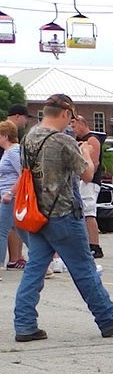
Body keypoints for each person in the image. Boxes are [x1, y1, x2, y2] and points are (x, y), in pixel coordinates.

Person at [12, 94, 113, 342]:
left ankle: (24, 324)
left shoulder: (28, 138)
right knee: (84, 269)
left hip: (37, 215)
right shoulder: (63, 141)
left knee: (34, 270)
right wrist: (86, 152)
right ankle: (109, 319)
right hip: (63, 215)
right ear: (64, 114)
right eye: (70, 118)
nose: (70, 123)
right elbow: (86, 174)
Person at [70, 112, 105, 259]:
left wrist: (87, 178)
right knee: (82, 212)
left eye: (74, 124)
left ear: (82, 124)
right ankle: (85, 243)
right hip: (81, 180)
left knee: (89, 212)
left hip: (89, 181)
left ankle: (94, 245)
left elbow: (94, 161)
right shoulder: (77, 140)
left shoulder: (92, 139)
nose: (72, 128)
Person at [5, 106, 29, 268]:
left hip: (11, 189)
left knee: (14, 225)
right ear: (18, 116)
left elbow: (22, 171)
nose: (26, 122)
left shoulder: (12, 147)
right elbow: (22, 170)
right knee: (15, 225)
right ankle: (15, 258)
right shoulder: (11, 144)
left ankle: (16, 257)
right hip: (10, 189)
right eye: (26, 118)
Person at [0, 120, 19, 276]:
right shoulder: (9, 152)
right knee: (22, 232)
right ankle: (44, 266)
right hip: (8, 195)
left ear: (5, 136)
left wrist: (10, 193)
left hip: (10, 197)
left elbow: (24, 174)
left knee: (1, 231)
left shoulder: (13, 152)